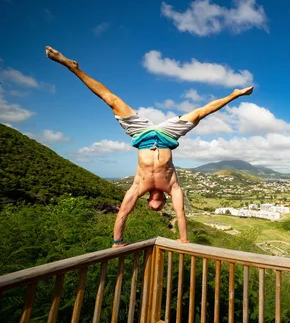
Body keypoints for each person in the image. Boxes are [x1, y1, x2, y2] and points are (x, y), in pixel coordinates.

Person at [45, 46, 253, 247]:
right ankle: (235, 94)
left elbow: (124, 212)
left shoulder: (138, 187)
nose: (157, 207)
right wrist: (183, 239)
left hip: (143, 136)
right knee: (200, 113)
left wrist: (117, 242)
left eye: (155, 207)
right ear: (163, 201)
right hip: (165, 136)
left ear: (148, 202)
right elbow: (180, 213)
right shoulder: (172, 187)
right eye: (160, 207)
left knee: (112, 101)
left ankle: (71, 66)